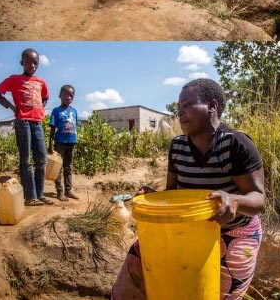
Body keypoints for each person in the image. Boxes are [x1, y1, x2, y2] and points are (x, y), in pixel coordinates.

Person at [111, 78, 266, 299]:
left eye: (187, 105)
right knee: (139, 264)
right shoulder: (178, 146)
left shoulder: (235, 144)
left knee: (213, 292)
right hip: (187, 232)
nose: (180, 112)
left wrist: (235, 200)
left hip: (233, 232)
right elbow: (173, 195)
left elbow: (259, 199)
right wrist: (154, 198)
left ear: (212, 105)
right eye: (178, 108)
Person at [0, 48, 52, 206]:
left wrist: (40, 110)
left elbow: (45, 97)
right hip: (22, 122)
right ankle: (30, 197)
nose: (32, 65)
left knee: (41, 160)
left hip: (37, 123)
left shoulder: (41, 82)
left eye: (35, 63)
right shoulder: (14, 79)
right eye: (29, 62)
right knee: (26, 161)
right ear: (22, 63)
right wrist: (12, 107)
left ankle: (39, 195)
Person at [47, 85, 80, 201]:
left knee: (68, 167)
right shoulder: (56, 111)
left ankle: (68, 190)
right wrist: (50, 145)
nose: (69, 97)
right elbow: (52, 130)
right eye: (66, 94)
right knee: (58, 168)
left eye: (71, 95)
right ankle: (60, 191)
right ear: (60, 95)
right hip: (60, 143)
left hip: (72, 142)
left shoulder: (74, 111)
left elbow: (75, 126)